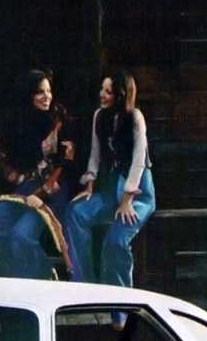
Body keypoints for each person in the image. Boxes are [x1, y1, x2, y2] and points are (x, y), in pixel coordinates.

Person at [65, 68, 156, 290]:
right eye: (102, 89)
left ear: (121, 94)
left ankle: (121, 300)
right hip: (111, 190)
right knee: (75, 212)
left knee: (115, 241)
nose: (102, 95)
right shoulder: (100, 116)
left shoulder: (135, 117)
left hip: (138, 193)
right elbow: (95, 154)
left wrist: (127, 200)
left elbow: (139, 160)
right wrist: (89, 184)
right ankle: (83, 284)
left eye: (108, 91)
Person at [0, 69, 76, 280]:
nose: (47, 96)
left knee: (22, 235)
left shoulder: (60, 120)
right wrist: (15, 176)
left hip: (54, 189)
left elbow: (65, 162)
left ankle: (44, 275)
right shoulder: (16, 121)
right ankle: (12, 279)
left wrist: (43, 192)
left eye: (48, 91)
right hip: (28, 187)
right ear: (28, 95)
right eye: (40, 92)